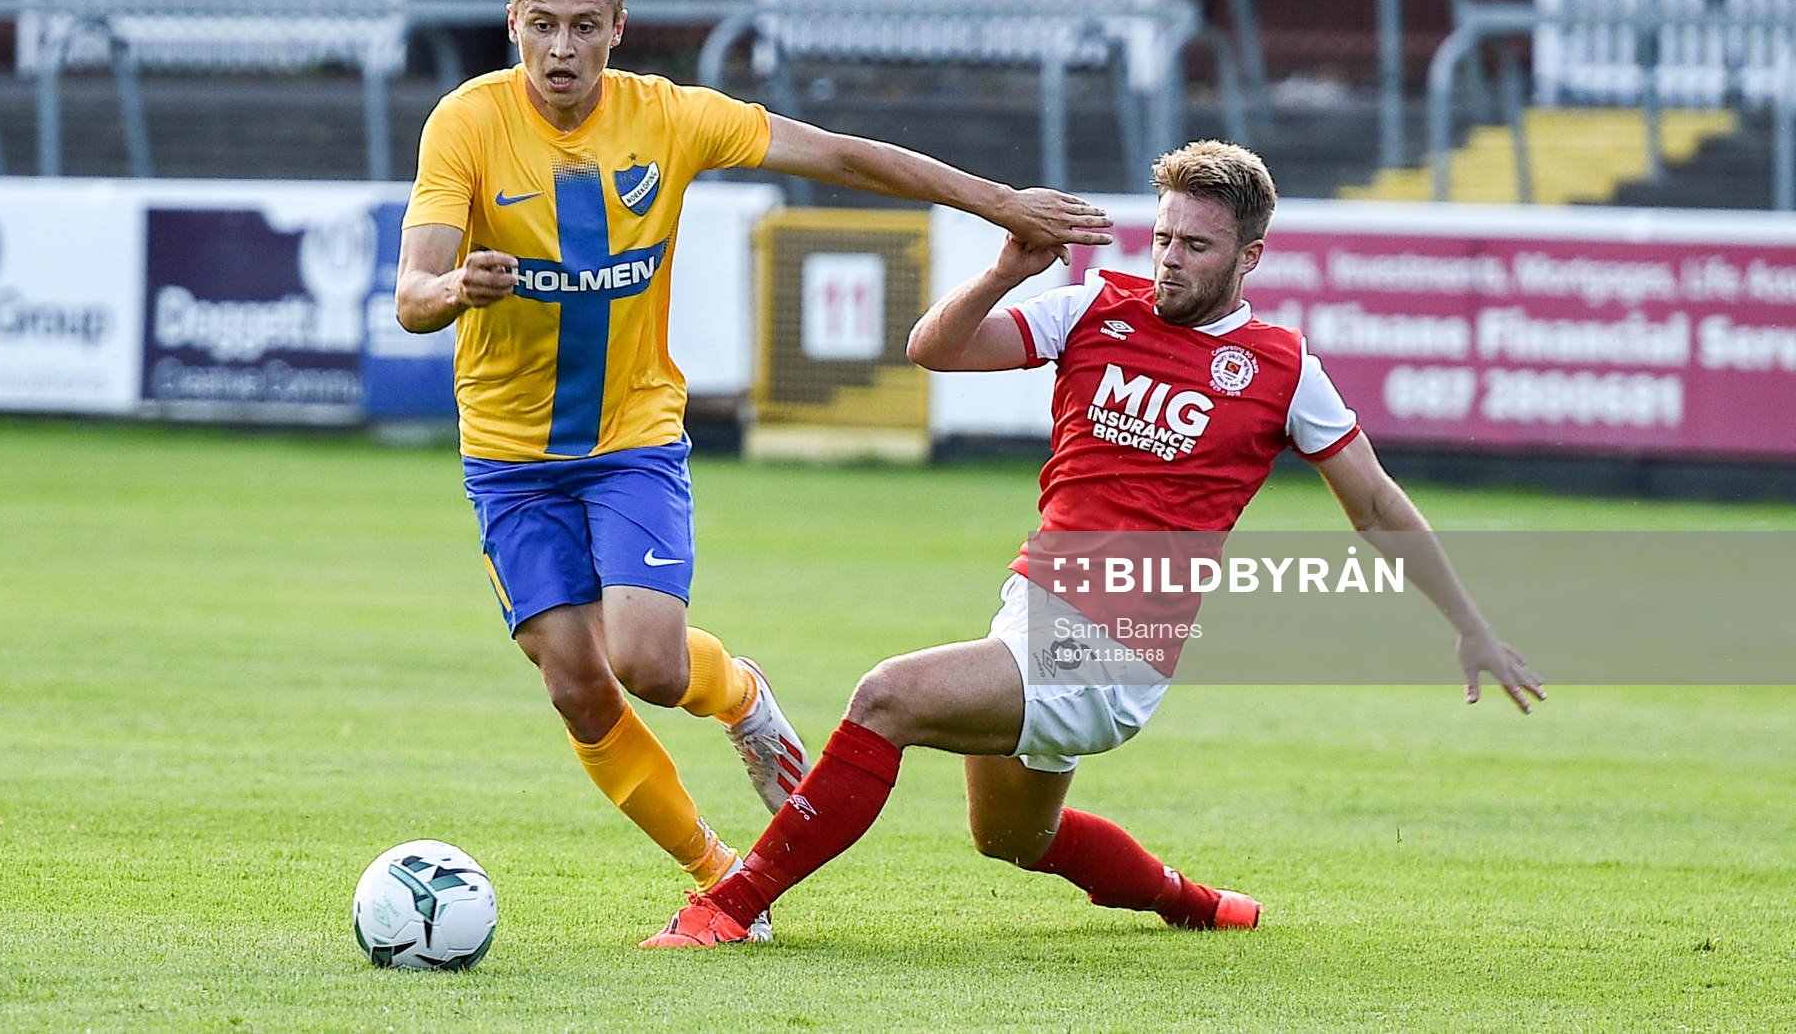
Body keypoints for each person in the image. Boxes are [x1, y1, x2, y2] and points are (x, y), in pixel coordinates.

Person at [642, 139, 1545, 948]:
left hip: (1117, 645)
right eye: (1162, 238)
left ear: (1249, 257)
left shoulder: (1281, 366)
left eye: (1196, 246)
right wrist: (1003, 271)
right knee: (1011, 838)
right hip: (1035, 608)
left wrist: (1467, 623)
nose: (1169, 262)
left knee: (886, 697)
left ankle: (730, 905)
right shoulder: (1094, 310)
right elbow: (935, 349)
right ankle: (1191, 903)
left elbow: (1378, 506)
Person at [394, 0, 1114, 927]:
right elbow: (409, 296)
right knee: (576, 685)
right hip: (509, 462)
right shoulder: (465, 123)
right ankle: (716, 867)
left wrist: (1001, 202)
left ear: (618, 30)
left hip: (631, 437)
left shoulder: (672, 117)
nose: (562, 49)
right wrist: (453, 287)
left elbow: (848, 155)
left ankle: (741, 697)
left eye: (584, 28)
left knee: (647, 661)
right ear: (513, 23)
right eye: (543, 25)